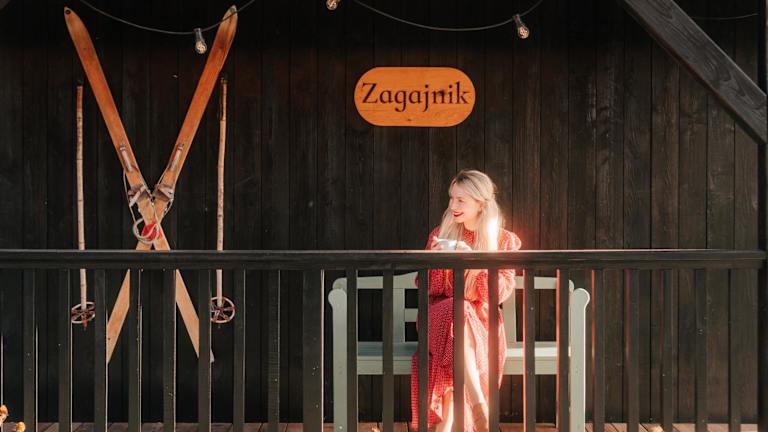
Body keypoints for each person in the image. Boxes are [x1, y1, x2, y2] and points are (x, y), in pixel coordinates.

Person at [410, 169, 522, 432]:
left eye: (461, 200)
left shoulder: (504, 241)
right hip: (437, 317)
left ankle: (445, 427)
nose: (453, 205)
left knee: (455, 343)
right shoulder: (441, 233)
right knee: (456, 310)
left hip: (479, 326)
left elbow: (500, 293)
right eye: (451, 198)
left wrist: (474, 262)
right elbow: (426, 288)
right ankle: (479, 402)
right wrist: (436, 262)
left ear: (480, 204)